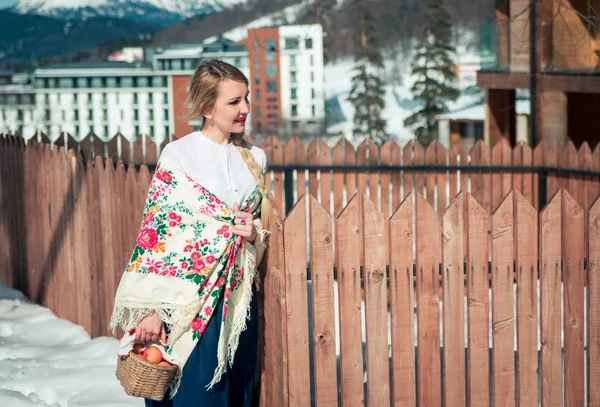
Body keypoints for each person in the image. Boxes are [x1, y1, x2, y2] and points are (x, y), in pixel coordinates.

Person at [109, 59, 272, 407]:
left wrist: (253, 233)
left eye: (246, 99)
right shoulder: (179, 155)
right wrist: (150, 310)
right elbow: (157, 235)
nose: (244, 109)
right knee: (194, 392)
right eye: (234, 102)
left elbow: (263, 225)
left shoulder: (254, 158)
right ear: (206, 108)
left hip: (235, 301)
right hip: (184, 302)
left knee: (233, 392)